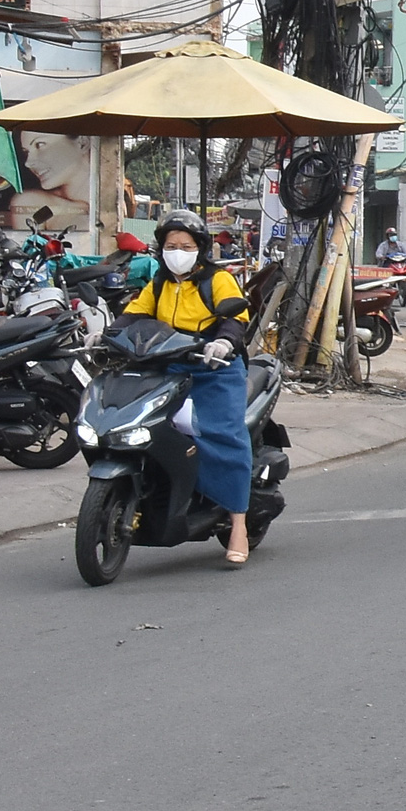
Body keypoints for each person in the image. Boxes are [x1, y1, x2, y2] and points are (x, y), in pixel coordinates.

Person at [124, 210, 256, 565]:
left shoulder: (219, 280)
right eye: (170, 246)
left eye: (185, 245)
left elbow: (235, 319)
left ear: (200, 248)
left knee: (224, 436)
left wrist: (223, 343)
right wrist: (106, 332)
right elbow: (134, 316)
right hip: (168, 369)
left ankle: (239, 523)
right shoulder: (159, 284)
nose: (177, 252)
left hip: (215, 370)